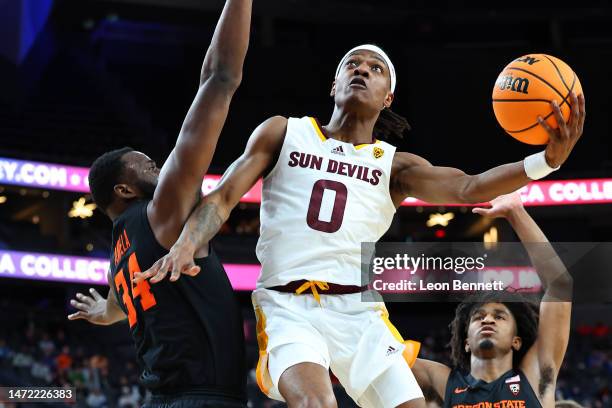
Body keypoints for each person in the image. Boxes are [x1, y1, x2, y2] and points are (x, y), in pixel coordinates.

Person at [138, 45, 585, 408]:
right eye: (351, 64)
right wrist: (187, 243)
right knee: (316, 402)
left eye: (375, 68)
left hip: (361, 313)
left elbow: (470, 187)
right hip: (289, 305)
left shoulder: (395, 165)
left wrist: (546, 161)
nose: (361, 70)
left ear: (387, 96)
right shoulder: (283, 132)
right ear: (333, 84)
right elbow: (223, 197)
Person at [66, 0, 253, 406]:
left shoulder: (119, 256)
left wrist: (103, 312)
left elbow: (116, 308)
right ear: (124, 190)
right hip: (203, 398)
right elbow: (218, 80)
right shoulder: (161, 213)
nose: (156, 165)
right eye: (144, 163)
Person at [411, 192, 573, 407]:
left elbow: (560, 285)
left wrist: (516, 213)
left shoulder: (534, 378)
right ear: (467, 341)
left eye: (499, 316)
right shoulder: (443, 382)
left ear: (516, 340)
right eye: (478, 317)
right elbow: (379, 358)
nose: (488, 320)